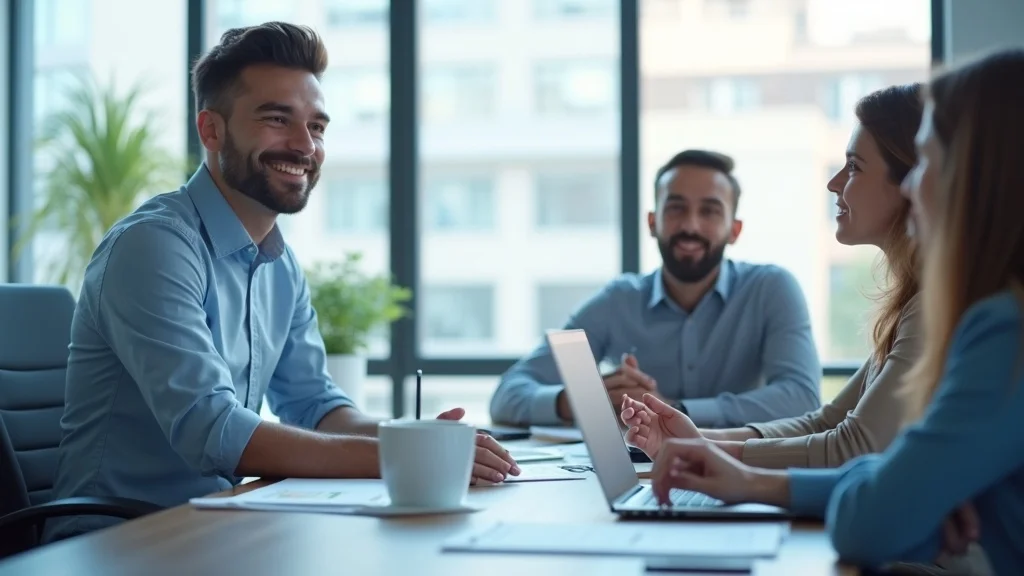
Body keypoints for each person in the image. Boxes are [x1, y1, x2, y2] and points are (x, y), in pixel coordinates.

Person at [44, 22, 518, 542]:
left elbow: (316, 406)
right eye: (277, 119)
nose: (304, 146)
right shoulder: (154, 246)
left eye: (317, 127)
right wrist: (403, 457)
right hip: (114, 541)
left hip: (212, 527)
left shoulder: (278, 263)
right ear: (211, 130)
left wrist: (423, 439)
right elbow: (215, 430)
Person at [646, 47, 1024, 575]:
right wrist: (703, 443)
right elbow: (841, 430)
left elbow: (867, 501)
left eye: (928, 161)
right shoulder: (953, 308)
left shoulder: (1000, 327)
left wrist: (892, 486)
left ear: (976, 177)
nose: (917, 187)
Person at [621, 84, 925, 469]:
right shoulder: (909, 305)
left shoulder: (930, 309)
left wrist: (702, 453)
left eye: (853, 167)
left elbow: (851, 446)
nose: (834, 183)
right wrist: (688, 438)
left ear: (911, 184)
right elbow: (828, 421)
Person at [489, 150, 821, 429]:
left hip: (741, 474)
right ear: (652, 222)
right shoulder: (619, 301)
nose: (690, 225)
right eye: (676, 208)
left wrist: (674, 411)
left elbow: (802, 397)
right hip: (639, 475)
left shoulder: (770, 289)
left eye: (709, 211)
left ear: (734, 230)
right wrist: (580, 400)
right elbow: (507, 395)